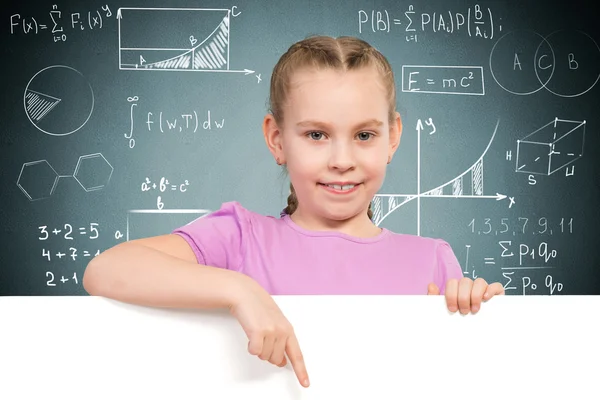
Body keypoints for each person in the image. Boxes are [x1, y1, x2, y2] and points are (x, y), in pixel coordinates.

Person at [83, 35, 505, 389]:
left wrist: (475, 308)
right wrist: (241, 292)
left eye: (364, 134)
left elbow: (469, 379)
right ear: (277, 138)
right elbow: (106, 270)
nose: (342, 159)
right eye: (317, 134)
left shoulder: (431, 261)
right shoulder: (241, 240)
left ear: (392, 137)